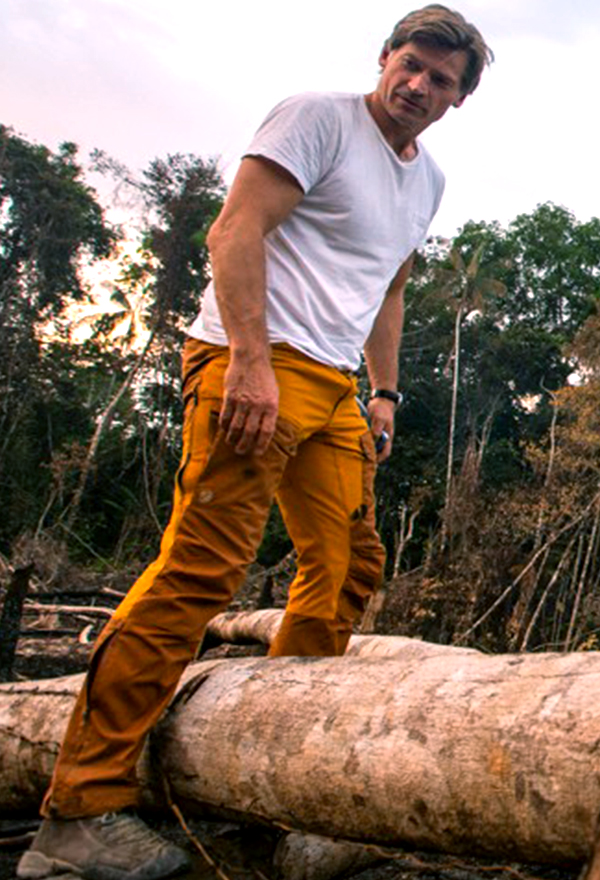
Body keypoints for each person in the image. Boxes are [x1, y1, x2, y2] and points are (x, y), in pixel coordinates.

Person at [19, 7, 492, 879]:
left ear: (459, 99)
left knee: (349, 565)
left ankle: (278, 773)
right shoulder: (316, 118)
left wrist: (382, 393)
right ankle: (79, 812)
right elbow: (234, 230)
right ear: (385, 59)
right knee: (202, 570)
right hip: (254, 360)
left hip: (333, 388)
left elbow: (387, 291)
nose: (420, 86)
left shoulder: (427, 181)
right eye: (413, 65)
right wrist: (245, 362)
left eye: (442, 80)